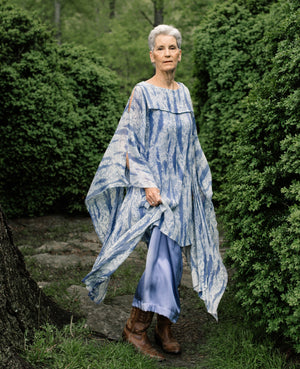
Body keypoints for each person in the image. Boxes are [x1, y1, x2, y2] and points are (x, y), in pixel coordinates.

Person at [82, 24, 227, 361]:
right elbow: (130, 143)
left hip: (182, 191)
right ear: (152, 55)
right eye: (160, 48)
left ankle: (164, 326)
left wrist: (200, 181)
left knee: (172, 262)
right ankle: (137, 328)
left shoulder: (184, 93)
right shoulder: (142, 92)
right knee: (165, 259)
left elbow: (191, 144)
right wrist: (148, 183)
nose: (167, 54)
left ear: (179, 53)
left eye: (172, 48)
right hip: (154, 193)